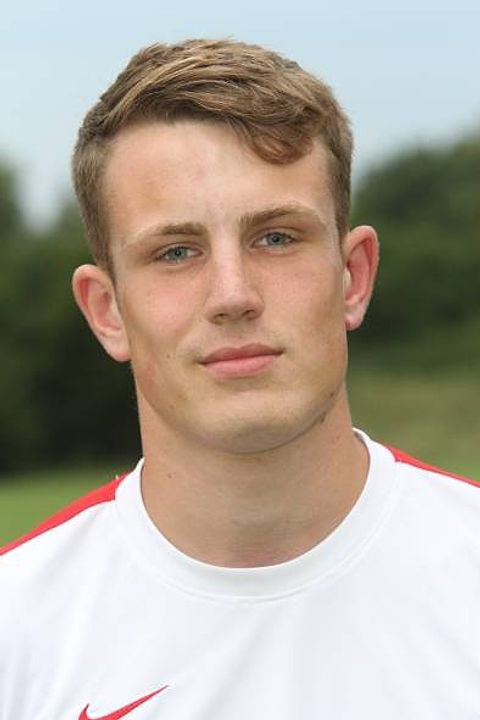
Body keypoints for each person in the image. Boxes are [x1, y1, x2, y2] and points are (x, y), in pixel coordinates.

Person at [1, 38, 479, 719]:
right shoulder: (17, 629)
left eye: (276, 237)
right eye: (176, 252)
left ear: (354, 276)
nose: (233, 294)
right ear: (107, 311)